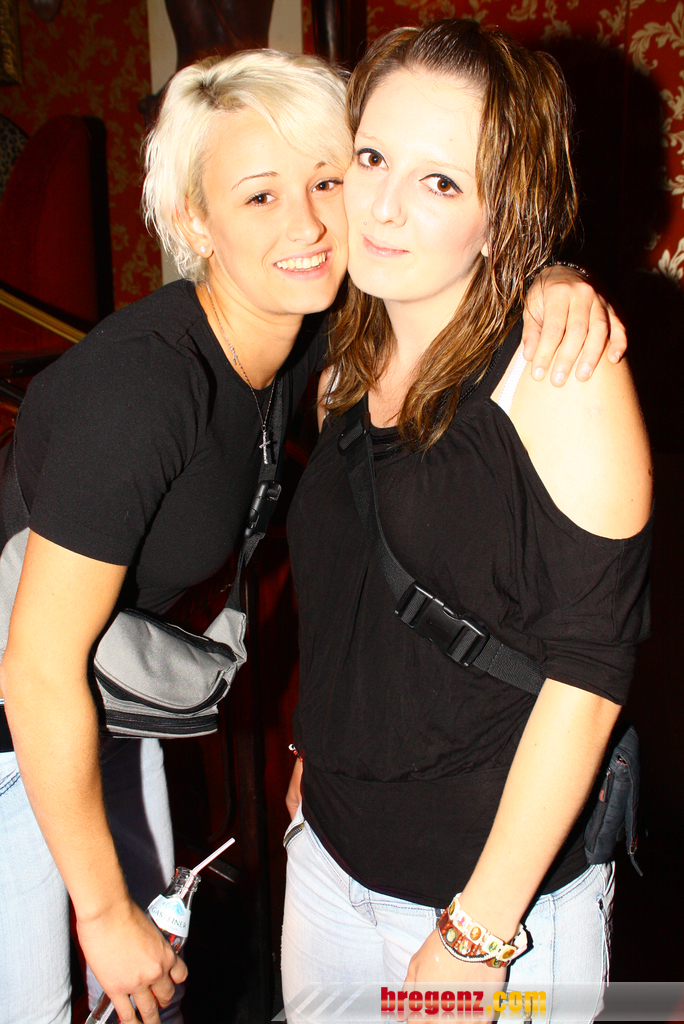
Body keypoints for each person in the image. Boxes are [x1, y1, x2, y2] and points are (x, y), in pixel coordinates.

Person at [0, 44, 621, 1024]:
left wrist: (554, 278)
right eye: (259, 196)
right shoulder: (139, 389)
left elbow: (468, 258)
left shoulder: (308, 330)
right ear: (195, 219)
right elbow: (35, 671)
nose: (312, 223)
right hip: (16, 737)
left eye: (329, 177)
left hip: (106, 714)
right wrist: (103, 909)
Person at [281, 19, 652, 1023]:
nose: (383, 206)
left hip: (481, 909)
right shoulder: (347, 355)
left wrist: (475, 934)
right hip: (329, 863)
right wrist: (316, 756)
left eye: (441, 181)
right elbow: (353, 599)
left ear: (502, 216)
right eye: (372, 158)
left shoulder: (564, 373)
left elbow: (591, 676)